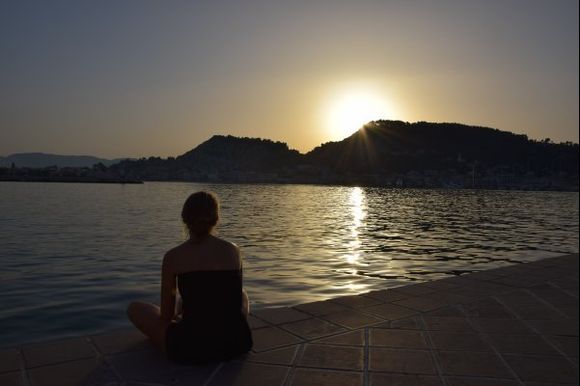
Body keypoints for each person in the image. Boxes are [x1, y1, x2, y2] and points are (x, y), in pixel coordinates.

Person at [127, 191, 253, 364]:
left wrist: (178, 316)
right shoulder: (233, 250)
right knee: (242, 295)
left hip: (191, 347)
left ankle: (186, 316)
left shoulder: (173, 257)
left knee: (135, 309)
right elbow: (229, 299)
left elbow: (165, 316)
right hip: (235, 343)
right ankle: (189, 313)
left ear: (185, 219)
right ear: (216, 219)